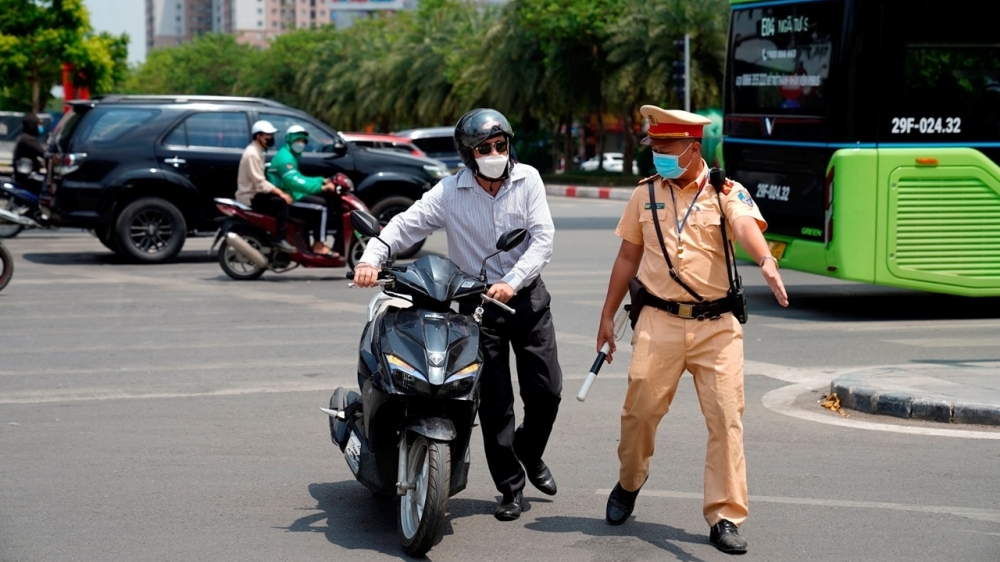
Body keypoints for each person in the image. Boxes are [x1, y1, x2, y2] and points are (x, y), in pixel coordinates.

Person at [594, 105, 789, 555]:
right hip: (658, 321)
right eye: (655, 147)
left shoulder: (726, 191)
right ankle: (629, 483)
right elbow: (627, 258)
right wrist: (607, 316)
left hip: (716, 327)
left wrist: (766, 260)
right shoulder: (645, 194)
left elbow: (744, 225)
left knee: (726, 420)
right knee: (638, 414)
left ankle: (724, 515)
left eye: (666, 148)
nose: (658, 155)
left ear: (693, 148)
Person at [352, 108, 562, 522]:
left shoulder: (529, 179)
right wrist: (371, 258)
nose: (495, 153)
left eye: (501, 145)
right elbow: (403, 226)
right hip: (479, 307)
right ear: (468, 154)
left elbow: (543, 239)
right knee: (495, 402)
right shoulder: (449, 192)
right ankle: (510, 487)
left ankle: (529, 451)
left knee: (547, 392)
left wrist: (514, 279)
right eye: (484, 148)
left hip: (527, 298)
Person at [266, 125, 341, 258]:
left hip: (292, 193)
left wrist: (320, 180)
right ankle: (318, 245)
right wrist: (321, 187)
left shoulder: (292, 155)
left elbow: (300, 178)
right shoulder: (285, 158)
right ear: (290, 140)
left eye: (303, 140)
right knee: (321, 207)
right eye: (297, 140)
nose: (301, 143)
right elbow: (294, 181)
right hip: (288, 197)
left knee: (321, 202)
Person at [235, 120, 297, 253]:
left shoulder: (258, 151)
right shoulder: (252, 154)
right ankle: (279, 239)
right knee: (281, 203)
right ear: (258, 136)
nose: (271, 138)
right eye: (267, 135)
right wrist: (280, 193)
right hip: (250, 196)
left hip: (256, 193)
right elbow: (260, 183)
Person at [12, 113, 46, 194]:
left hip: (25, 174)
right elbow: (43, 153)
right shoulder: (28, 139)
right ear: (32, 125)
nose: (40, 127)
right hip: (27, 177)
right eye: (38, 125)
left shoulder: (24, 137)